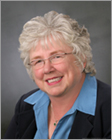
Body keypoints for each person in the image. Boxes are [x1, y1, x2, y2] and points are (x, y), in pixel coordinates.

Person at [4, 11, 111, 139]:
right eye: (38, 61)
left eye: (57, 57)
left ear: (81, 58)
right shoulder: (25, 105)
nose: (47, 69)